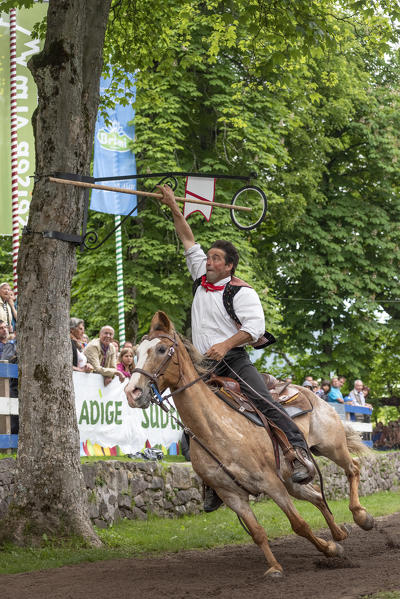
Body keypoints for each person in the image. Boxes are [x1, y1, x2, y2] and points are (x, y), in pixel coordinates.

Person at [158, 184, 315, 511]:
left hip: (233, 360)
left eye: (216, 258)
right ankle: (213, 483)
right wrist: (173, 204)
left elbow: (255, 329)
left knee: (263, 401)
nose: (209, 261)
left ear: (229, 266)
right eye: (210, 257)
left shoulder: (242, 293)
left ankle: (297, 454)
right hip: (203, 365)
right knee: (193, 424)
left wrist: (224, 345)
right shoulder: (200, 275)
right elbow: (187, 237)